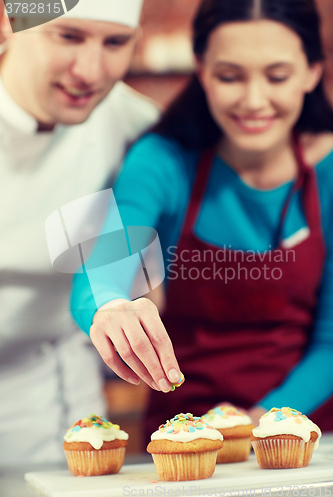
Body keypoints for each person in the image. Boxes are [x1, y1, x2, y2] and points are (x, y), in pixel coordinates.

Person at [71, 0, 333, 441]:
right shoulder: (163, 162)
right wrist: (110, 308)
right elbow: (103, 264)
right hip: (182, 435)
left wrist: (259, 421)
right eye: (229, 76)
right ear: (202, 69)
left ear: (312, 71)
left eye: (277, 76)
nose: (253, 100)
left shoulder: (327, 174)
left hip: (301, 436)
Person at [0, 0, 159, 465]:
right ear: (10, 24)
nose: (90, 71)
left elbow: (107, 252)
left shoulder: (134, 126)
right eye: (67, 36)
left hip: (44, 394)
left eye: (115, 42)